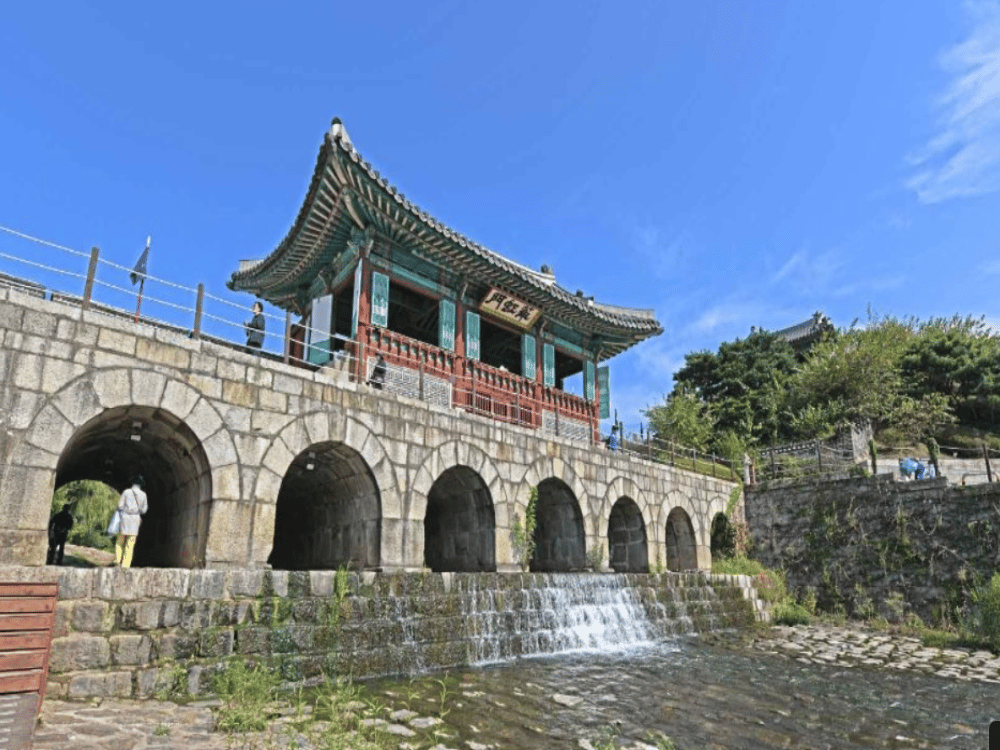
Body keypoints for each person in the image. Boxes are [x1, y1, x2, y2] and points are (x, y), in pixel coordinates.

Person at [115, 475, 148, 568]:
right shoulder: (144, 495)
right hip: (135, 519)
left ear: (133, 483)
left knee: (120, 540)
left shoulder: (126, 492)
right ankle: (126, 564)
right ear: (141, 485)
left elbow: (120, 506)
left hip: (125, 517)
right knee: (130, 543)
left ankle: (118, 560)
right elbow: (144, 510)